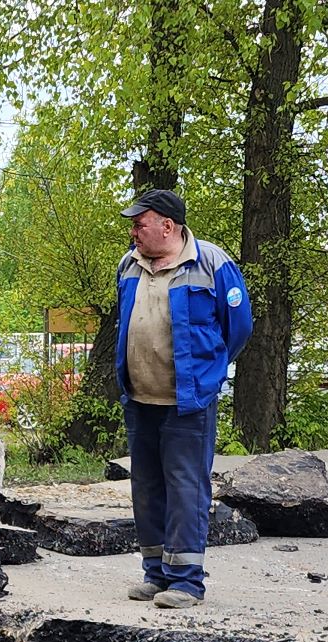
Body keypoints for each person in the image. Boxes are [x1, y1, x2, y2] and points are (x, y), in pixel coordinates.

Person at [113, 188, 252, 608]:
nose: (134, 232)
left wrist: (207, 374)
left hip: (188, 402)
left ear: (167, 226)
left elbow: (239, 327)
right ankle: (156, 574)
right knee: (147, 488)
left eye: (140, 224)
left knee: (186, 489)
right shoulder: (129, 265)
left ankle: (187, 582)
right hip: (140, 399)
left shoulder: (212, 263)